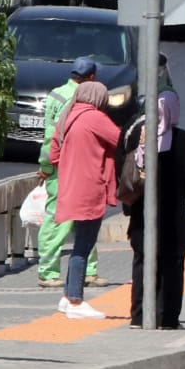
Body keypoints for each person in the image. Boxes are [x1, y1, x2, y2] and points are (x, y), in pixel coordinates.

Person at [123, 56, 185, 329]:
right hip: (173, 217)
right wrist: (177, 195)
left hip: (142, 216)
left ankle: (139, 316)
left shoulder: (139, 136)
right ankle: (167, 318)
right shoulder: (182, 140)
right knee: (172, 266)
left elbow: (127, 170)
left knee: (143, 263)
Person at [48, 80, 121, 320]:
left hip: (70, 186)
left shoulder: (69, 115)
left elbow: (53, 154)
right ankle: (77, 300)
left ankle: (68, 297)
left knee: (81, 240)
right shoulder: (93, 117)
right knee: (83, 245)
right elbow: (121, 140)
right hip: (89, 188)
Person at [36, 57, 102, 290]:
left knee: (78, 217)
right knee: (61, 218)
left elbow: (47, 134)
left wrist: (45, 165)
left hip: (57, 165)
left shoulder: (56, 93)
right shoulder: (78, 99)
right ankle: (48, 271)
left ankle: (88, 270)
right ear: (91, 78)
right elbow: (56, 136)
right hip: (68, 166)